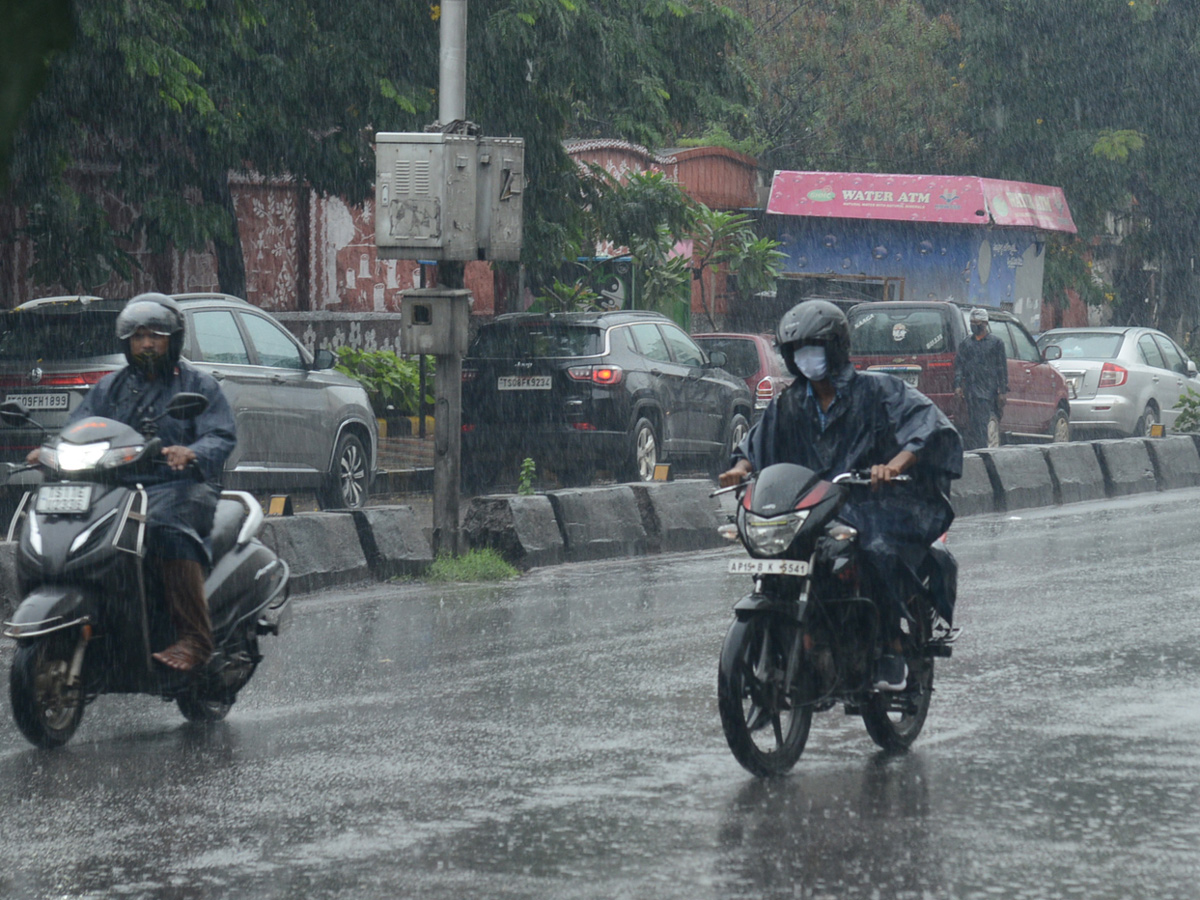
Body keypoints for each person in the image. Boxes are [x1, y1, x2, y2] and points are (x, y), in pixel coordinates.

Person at [719, 300, 963, 691]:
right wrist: (740, 470)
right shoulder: (790, 403)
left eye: (812, 348)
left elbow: (927, 425)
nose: (806, 358)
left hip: (875, 501)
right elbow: (758, 442)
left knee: (877, 551)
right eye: (797, 351)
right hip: (816, 505)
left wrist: (894, 466)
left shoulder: (878, 389)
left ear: (834, 348)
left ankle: (888, 644)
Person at [28, 293, 237, 672]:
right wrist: (49, 451)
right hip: (118, 487)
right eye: (138, 336)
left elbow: (220, 435)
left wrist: (191, 452)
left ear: (173, 340)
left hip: (179, 486)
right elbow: (79, 427)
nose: (146, 344)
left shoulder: (198, 385)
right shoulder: (110, 388)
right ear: (127, 342)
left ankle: (195, 637)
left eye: (155, 336)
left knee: (165, 529)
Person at [954, 307, 1008, 450]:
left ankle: (982, 451)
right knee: (972, 424)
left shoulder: (996, 343)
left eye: (976, 322)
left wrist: (1002, 391)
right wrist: (958, 386)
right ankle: (975, 450)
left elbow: (1001, 368)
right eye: (972, 322)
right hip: (970, 390)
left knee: (982, 423)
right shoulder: (966, 344)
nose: (973, 325)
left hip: (987, 391)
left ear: (984, 323)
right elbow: (959, 366)